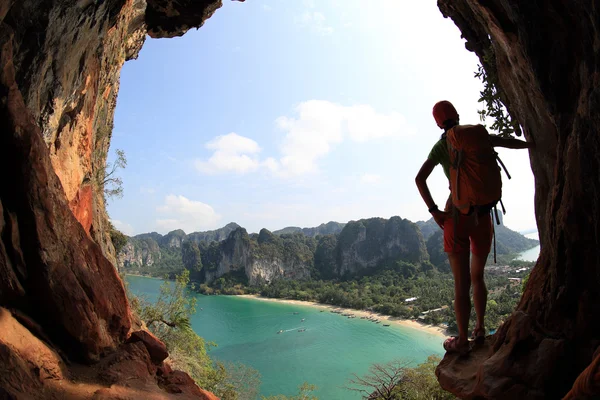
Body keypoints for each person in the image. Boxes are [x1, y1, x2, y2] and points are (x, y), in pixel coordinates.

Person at [415, 100, 533, 354]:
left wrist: (434, 211)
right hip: (483, 216)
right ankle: (480, 329)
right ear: (457, 116)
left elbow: (420, 178)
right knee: (478, 277)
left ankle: (462, 342)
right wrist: (534, 144)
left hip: (457, 218)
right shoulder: (477, 137)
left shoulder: (441, 145)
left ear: (437, 123)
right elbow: (505, 142)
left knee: (461, 283)